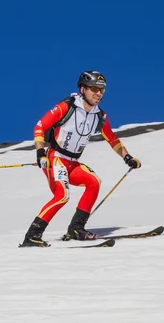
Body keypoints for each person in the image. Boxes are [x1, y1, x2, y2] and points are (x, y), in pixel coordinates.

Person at [19, 71, 142, 247]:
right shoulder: (66, 107)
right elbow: (40, 126)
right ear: (83, 89)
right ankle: (32, 236)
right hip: (55, 158)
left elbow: (112, 139)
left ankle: (76, 229)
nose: (98, 93)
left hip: (72, 162)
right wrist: (39, 153)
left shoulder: (100, 116)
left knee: (94, 182)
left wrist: (127, 157)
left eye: (102, 90)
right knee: (62, 195)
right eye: (94, 89)